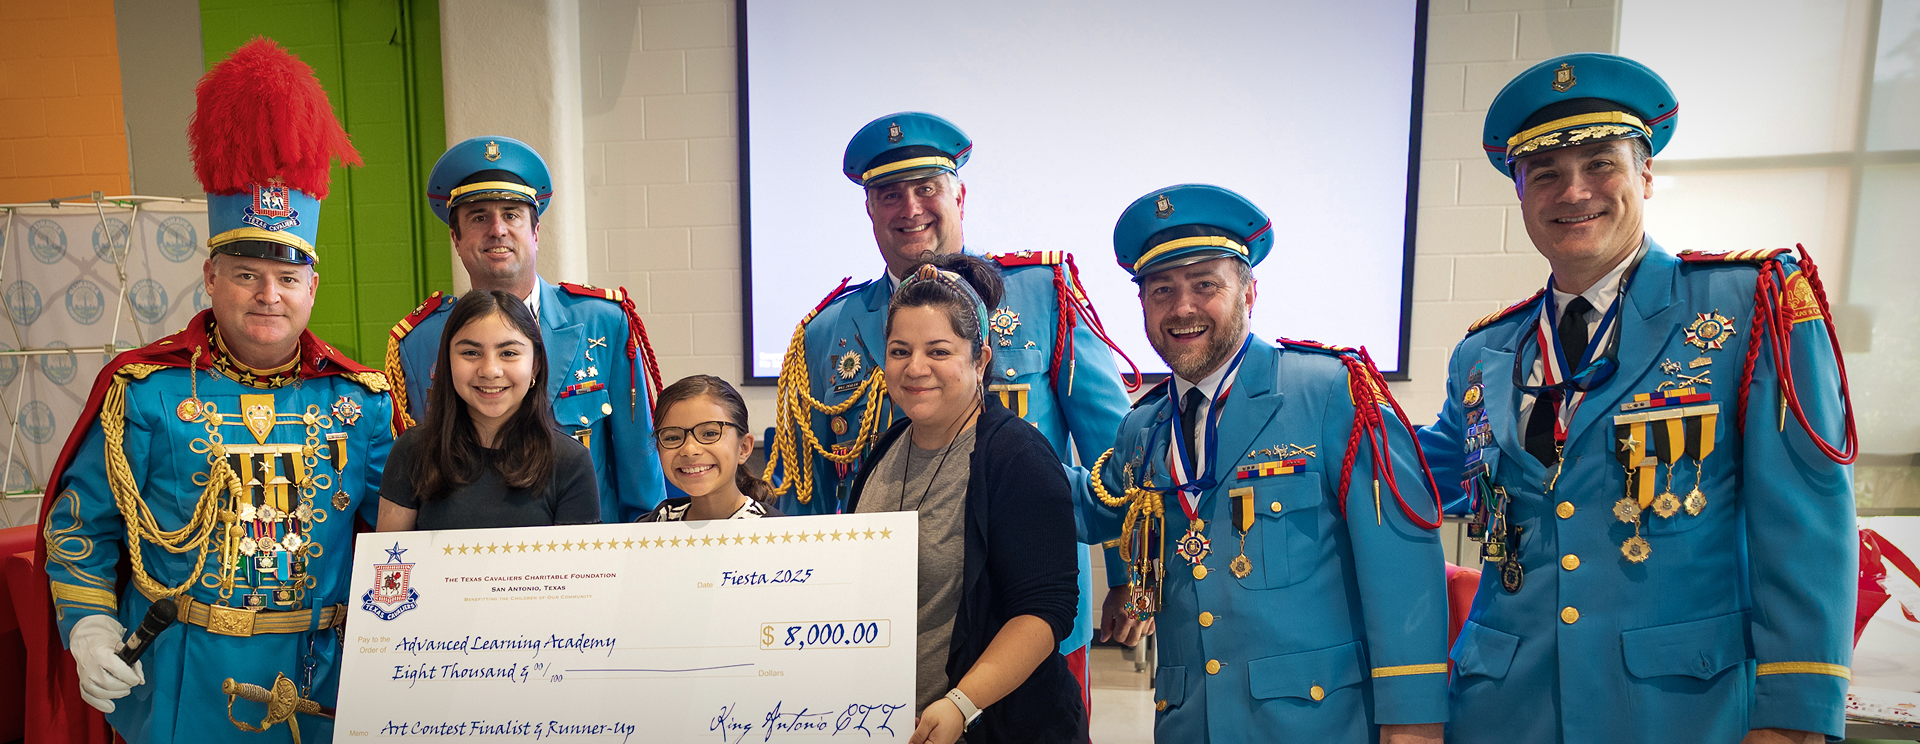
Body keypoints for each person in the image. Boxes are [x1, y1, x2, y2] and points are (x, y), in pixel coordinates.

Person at [1417, 53, 1857, 744]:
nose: (1573, 192)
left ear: (1645, 174)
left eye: (1600, 163)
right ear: (1521, 192)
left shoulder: (1748, 308)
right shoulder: (1484, 353)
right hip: (1503, 710)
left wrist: (1796, 716)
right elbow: (1413, 474)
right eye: (1547, 174)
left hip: (1680, 710)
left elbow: (1806, 525)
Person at [35, 38, 392, 743]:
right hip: (179, 683)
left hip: (324, 685)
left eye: (288, 279)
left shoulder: (365, 404)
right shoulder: (143, 392)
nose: (268, 293)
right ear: (210, 277)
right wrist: (91, 627)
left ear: (311, 288)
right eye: (246, 272)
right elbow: (82, 527)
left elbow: (407, 539)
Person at [763, 111, 1139, 698]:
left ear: (958, 194)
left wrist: (1127, 575)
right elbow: (805, 495)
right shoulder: (827, 331)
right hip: (880, 626)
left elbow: (1114, 456)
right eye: (889, 194)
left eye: (926, 188)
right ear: (869, 209)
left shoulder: (1043, 295)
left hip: (1026, 612)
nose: (909, 208)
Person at [1088, 184, 1449, 743]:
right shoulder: (1143, 428)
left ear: (1250, 291)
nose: (1182, 307)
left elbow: (1402, 573)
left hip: (1315, 725)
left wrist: (1414, 726)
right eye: (1161, 289)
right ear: (1142, 305)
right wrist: (976, 433)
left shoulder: (1331, 394)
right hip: (1189, 724)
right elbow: (1090, 507)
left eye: (1205, 284)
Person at [844, 255, 1084, 744]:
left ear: (980, 360)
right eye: (899, 350)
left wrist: (962, 702)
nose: (915, 368)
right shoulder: (887, 450)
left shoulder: (1017, 457)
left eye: (938, 351)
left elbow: (1045, 611)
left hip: (994, 725)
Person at [386, 135, 667, 522]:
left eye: (512, 214)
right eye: (479, 217)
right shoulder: (420, 342)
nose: (497, 230)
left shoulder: (602, 322)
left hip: (589, 561)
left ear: (535, 232)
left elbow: (641, 473)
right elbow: (418, 474)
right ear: (456, 238)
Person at [377, 290, 598, 531]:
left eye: (509, 353)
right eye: (471, 353)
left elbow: (577, 568)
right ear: (447, 361)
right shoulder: (411, 451)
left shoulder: (571, 462)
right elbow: (388, 565)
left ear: (534, 365)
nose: (490, 370)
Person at [641, 375, 783, 522]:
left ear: (743, 448)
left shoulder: (779, 534)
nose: (689, 450)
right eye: (672, 438)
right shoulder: (649, 530)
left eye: (710, 433)